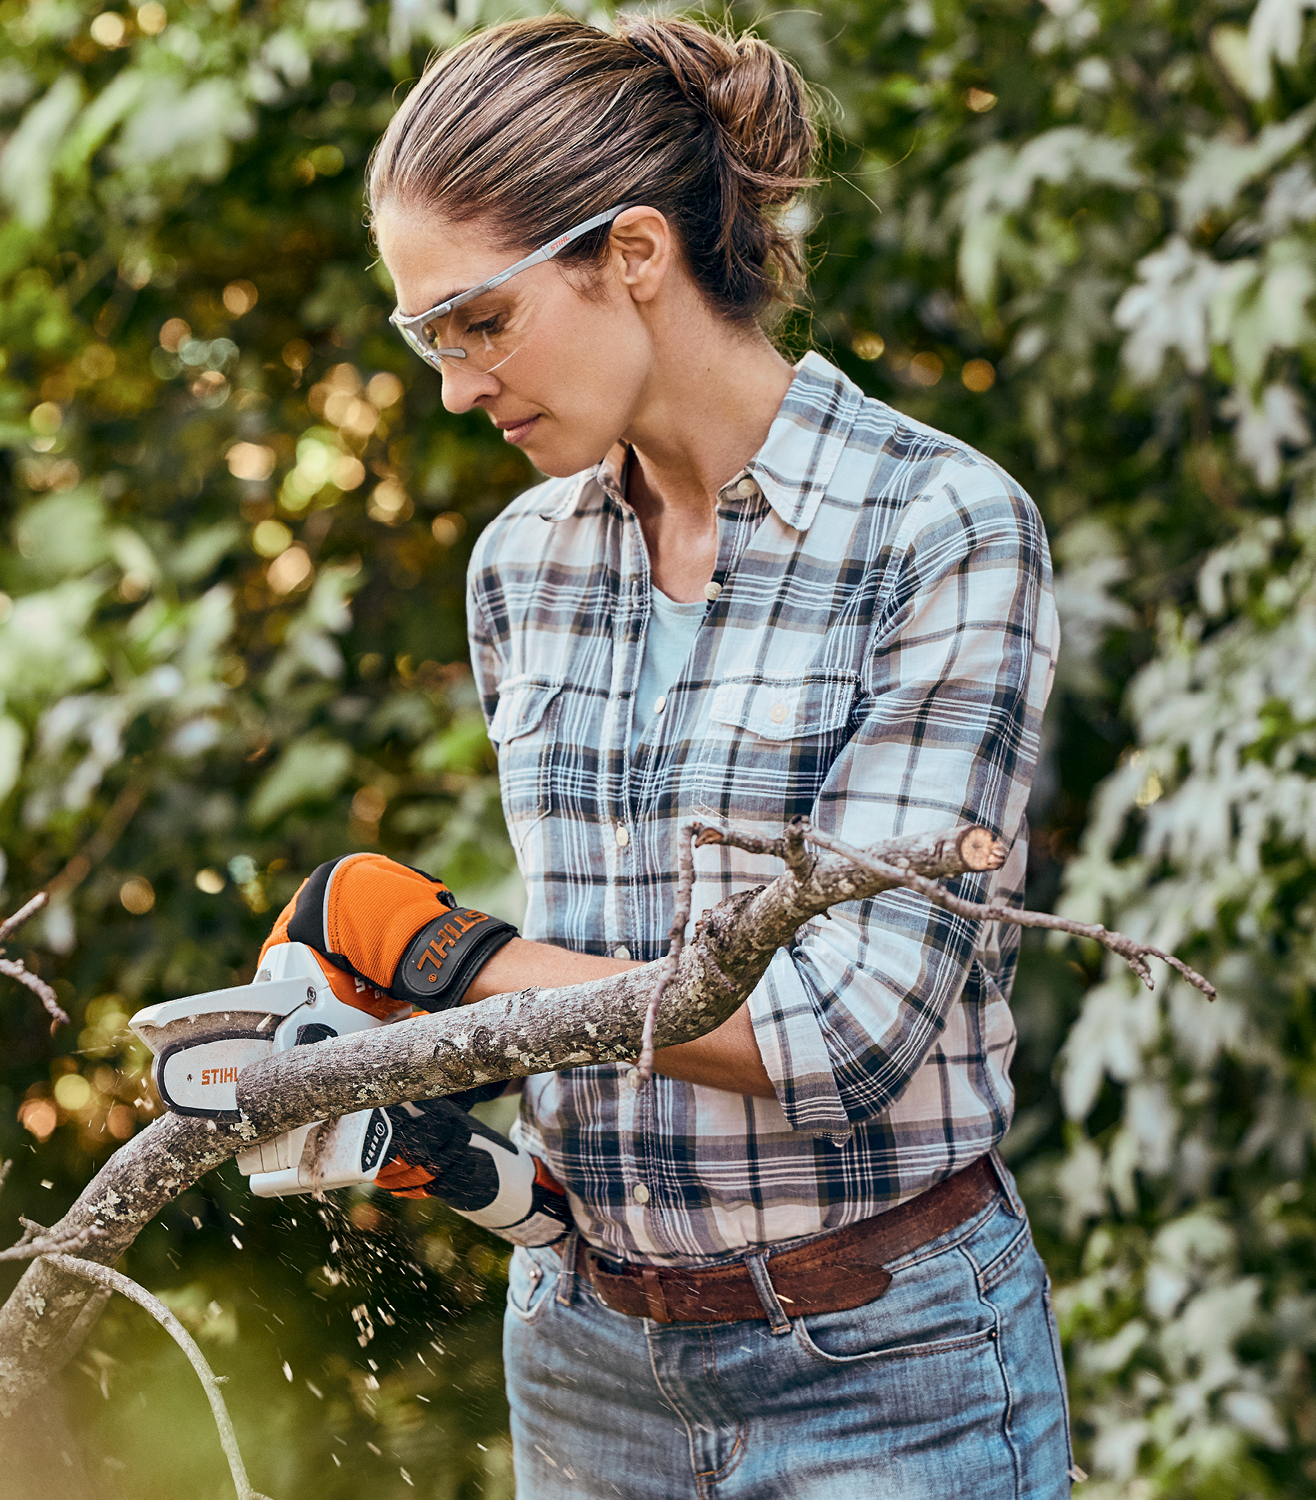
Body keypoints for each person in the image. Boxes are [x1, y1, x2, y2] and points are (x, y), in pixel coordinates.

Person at [259, 14, 1068, 1497]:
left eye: (478, 320)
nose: (452, 383)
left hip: (885, 1370)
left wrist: (445, 959)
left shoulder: (936, 533)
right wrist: (408, 1071)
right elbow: (610, 977)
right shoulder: (525, 565)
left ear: (633, 253)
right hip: (586, 1357)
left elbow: (847, 1035)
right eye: (424, 335)